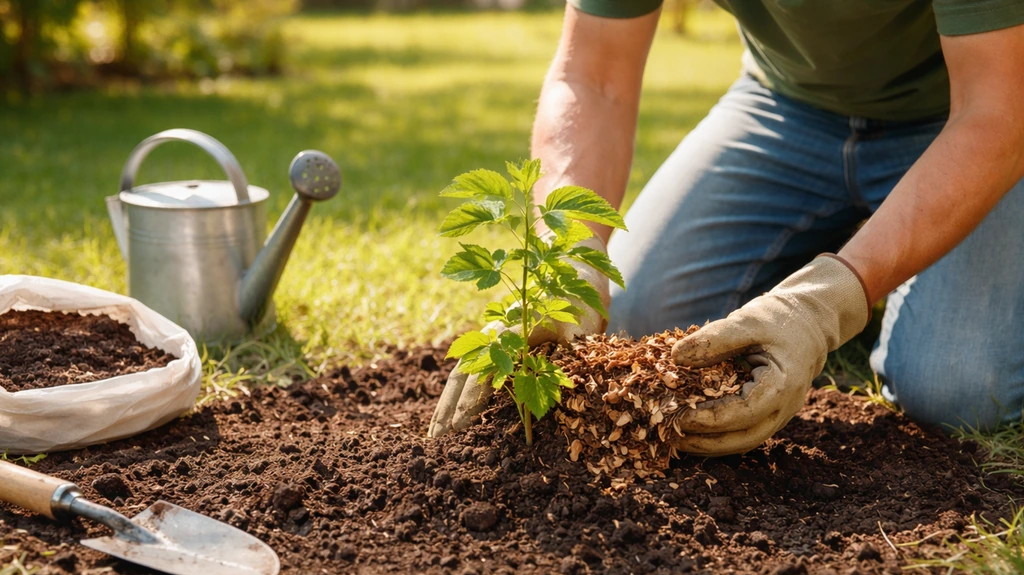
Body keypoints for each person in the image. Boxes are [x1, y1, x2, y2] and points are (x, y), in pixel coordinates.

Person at [429, 0, 1024, 456]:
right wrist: (573, 254)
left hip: (973, 109)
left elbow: (999, 110)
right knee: (643, 317)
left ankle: (884, 276)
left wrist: (826, 305)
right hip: (787, 104)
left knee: (955, 388)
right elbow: (593, 75)